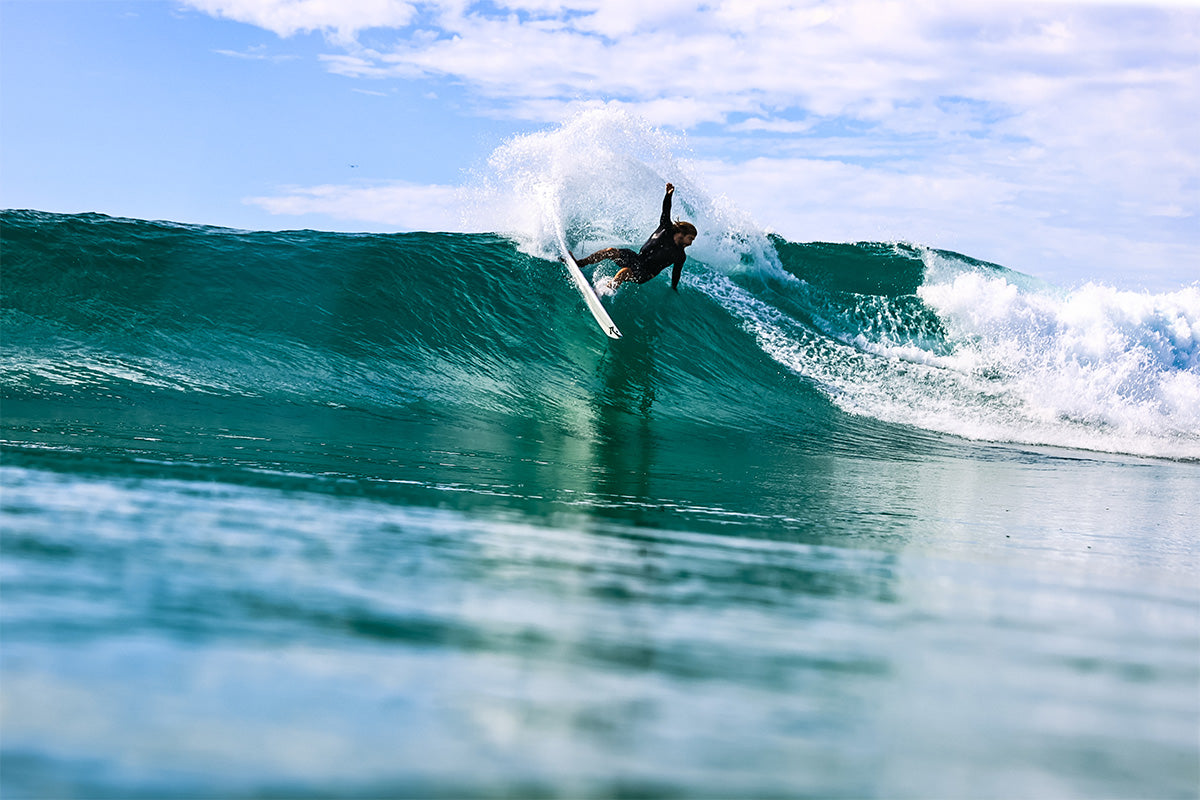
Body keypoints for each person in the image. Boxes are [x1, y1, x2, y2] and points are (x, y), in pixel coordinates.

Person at [573, 183, 697, 291]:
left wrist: (673, 288)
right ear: (682, 232)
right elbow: (666, 210)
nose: (690, 243)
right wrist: (668, 195)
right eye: (690, 238)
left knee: (624, 272)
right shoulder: (666, 228)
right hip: (637, 258)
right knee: (610, 251)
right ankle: (581, 263)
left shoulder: (680, 255)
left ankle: (606, 290)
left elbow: (676, 273)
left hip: (646, 273)